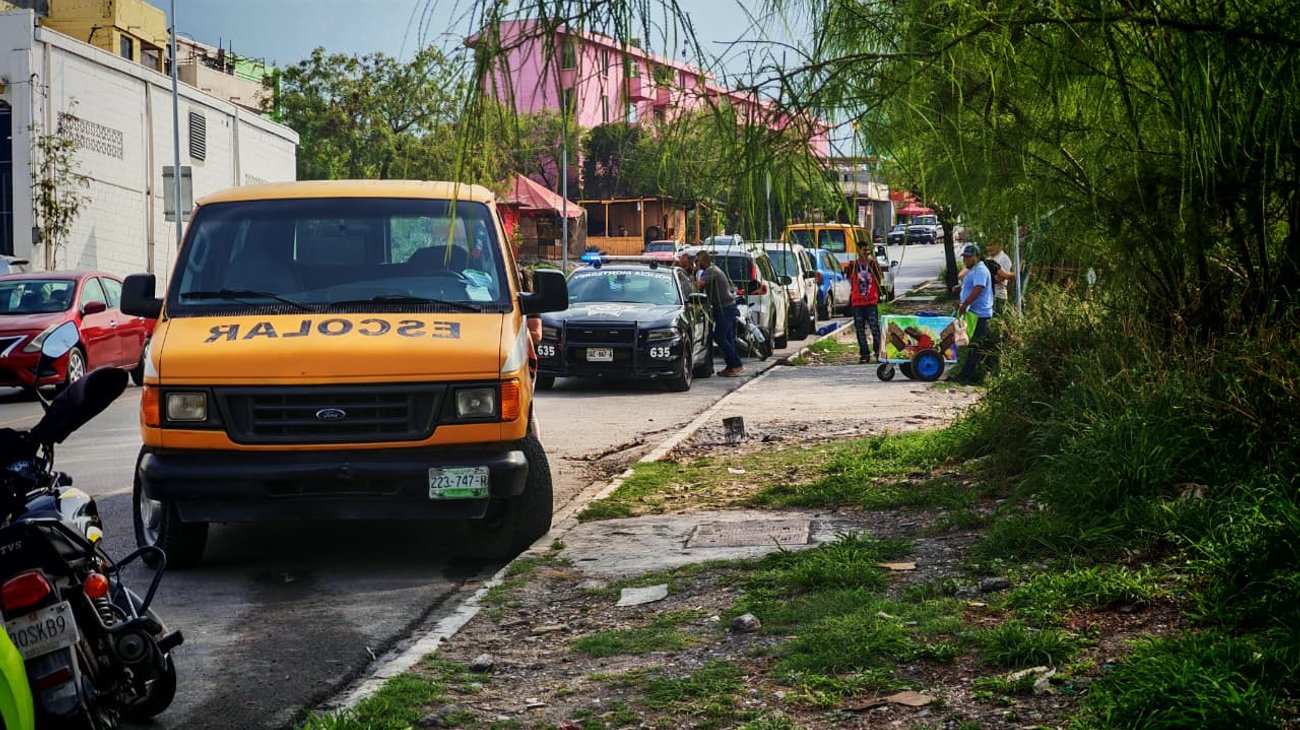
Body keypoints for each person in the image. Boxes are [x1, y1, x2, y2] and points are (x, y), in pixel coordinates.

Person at [694, 251, 744, 377]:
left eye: (697, 261)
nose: (696, 263)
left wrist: (693, 273)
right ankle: (731, 366)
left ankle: (736, 364)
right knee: (728, 338)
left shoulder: (710, 271)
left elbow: (698, 285)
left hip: (725, 308)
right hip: (725, 307)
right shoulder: (712, 269)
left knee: (720, 337)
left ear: (702, 261)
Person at [950, 243, 994, 384]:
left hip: (980, 314)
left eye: (968, 257)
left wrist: (965, 304)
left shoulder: (980, 270)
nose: (965, 260)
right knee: (970, 344)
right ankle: (968, 373)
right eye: (964, 257)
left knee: (976, 346)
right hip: (972, 313)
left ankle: (967, 376)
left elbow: (978, 289)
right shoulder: (973, 270)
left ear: (976, 257)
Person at [844, 245, 881, 364]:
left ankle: (878, 351)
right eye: (864, 250)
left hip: (871, 302)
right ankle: (864, 353)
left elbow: (880, 278)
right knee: (860, 330)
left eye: (868, 250)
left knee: (875, 328)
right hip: (858, 303)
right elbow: (848, 277)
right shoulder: (853, 265)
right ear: (858, 251)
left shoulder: (873, 264)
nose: (867, 252)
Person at [986, 240, 1016, 316]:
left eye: (991, 244)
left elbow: (1002, 278)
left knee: (998, 319)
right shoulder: (988, 258)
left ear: (999, 245)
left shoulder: (1004, 258)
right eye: (988, 245)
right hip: (989, 295)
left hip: (999, 295)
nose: (989, 247)